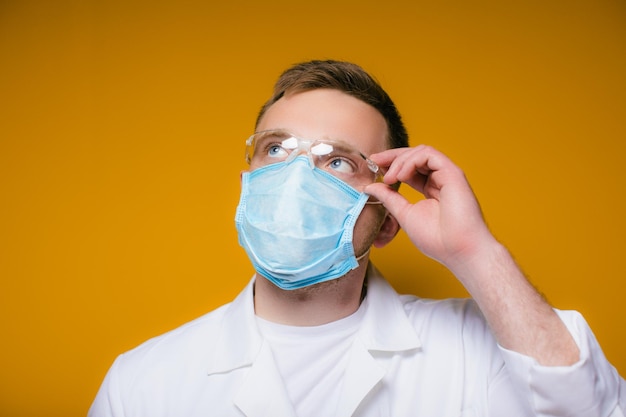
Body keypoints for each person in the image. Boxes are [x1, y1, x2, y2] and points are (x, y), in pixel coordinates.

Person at [89, 60, 625, 417]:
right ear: (247, 186)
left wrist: (475, 252)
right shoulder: (143, 381)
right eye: (276, 149)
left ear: (387, 216)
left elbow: (590, 408)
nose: (296, 178)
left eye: (338, 160)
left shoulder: (473, 352)